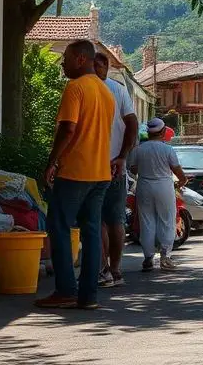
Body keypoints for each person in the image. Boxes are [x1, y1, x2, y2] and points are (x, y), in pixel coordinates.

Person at [36, 39, 116, 310]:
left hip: (75, 172)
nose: (62, 63)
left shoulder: (75, 87)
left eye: (66, 58)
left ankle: (65, 290)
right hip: (101, 173)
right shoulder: (106, 92)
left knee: (58, 227)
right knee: (91, 233)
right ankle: (88, 295)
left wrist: (51, 161)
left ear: (81, 59)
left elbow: (68, 129)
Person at [93, 52, 139, 289]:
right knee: (113, 219)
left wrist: (122, 157)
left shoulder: (84, 88)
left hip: (97, 166)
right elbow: (132, 123)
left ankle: (106, 270)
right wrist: (123, 156)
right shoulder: (119, 90)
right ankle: (113, 270)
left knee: (102, 220)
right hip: (113, 165)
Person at [128, 118, 188, 271]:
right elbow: (177, 169)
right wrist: (183, 180)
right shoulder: (167, 149)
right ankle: (165, 257)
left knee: (146, 221)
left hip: (144, 186)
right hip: (164, 186)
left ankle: (148, 258)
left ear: (148, 132)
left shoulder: (138, 149)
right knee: (167, 220)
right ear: (162, 132)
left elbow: (133, 169)